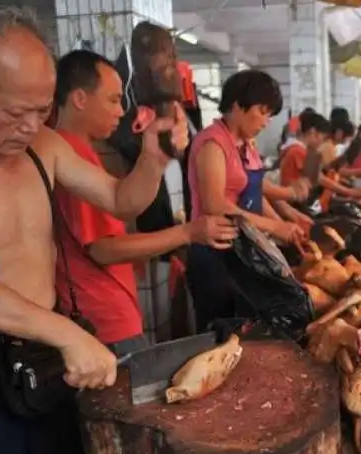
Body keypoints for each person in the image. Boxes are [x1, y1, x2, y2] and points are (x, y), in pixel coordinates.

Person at [0, 5, 188, 454]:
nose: (29, 126)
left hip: (42, 372)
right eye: (14, 111)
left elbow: (120, 199)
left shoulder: (46, 145)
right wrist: (66, 333)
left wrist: (153, 159)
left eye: (41, 110)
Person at [52, 49, 236, 356]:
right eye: (112, 100)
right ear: (80, 99)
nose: (121, 110)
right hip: (102, 319)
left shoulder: (80, 154)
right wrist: (188, 233)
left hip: (108, 311)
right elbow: (104, 248)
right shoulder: (68, 152)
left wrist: (156, 157)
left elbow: (124, 201)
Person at [187, 69, 303, 332]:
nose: (266, 121)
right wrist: (274, 227)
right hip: (215, 254)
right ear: (238, 105)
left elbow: (253, 193)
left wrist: (284, 226)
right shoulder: (213, 143)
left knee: (251, 333)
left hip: (245, 253)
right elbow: (215, 205)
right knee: (221, 331)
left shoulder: (246, 145)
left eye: (269, 115)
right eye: (262, 111)